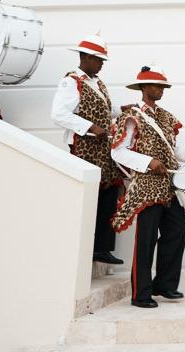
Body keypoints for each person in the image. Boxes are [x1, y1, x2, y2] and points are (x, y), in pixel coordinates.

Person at [110, 66, 185, 308]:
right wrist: (148, 162)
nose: (161, 90)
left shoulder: (166, 116)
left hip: (167, 186)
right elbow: (118, 152)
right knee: (146, 240)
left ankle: (165, 285)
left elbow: (171, 149)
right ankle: (141, 294)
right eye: (156, 86)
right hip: (146, 187)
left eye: (163, 86)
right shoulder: (131, 117)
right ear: (143, 88)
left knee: (178, 230)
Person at [51, 34, 130, 265]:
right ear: (84, 57)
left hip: (103, 148)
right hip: (84, 146)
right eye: (98, 59)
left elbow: (102, 108)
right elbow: (59, 114)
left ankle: (103, 248)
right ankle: (86, 247)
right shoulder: (71, 81)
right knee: (89, 196)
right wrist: (90, 127)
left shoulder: (97, 82)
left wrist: (119, 110)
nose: (101, 64)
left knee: (107, 195)